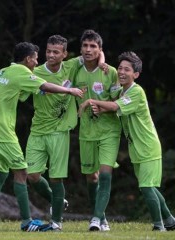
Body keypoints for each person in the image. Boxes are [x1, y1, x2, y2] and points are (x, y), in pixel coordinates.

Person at [0, 42, 83, 232]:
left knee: (0, 173)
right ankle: (27, 222)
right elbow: (45, 85)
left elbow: (3, 94)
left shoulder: (3, 72)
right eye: (35, 58)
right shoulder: (22, 72)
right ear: (27, 59)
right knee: (22, 173)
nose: (37, 61)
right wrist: (69, 90)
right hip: (2, 133)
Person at [81, 51, 175, 232]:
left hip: (148, 146)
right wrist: (101, 60)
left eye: (127, 69)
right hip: (136, 148)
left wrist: (91, 101)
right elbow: (112, 100)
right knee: (149, 188)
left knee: (147, 187)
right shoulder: (120, 90)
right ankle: (170, 220)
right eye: (120, 68)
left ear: (136, 74)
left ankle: (159, 226)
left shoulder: (137, 91)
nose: (122, 72)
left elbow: (116, 106)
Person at [25, 35, 85, 231]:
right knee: (32, 175)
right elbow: (16, 89)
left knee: (56, 177)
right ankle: (57, 200)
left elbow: (95, 52)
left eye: (55, 52)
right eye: (48, 51)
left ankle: (56, 223)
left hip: (60, 131)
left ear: (64, 54)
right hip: (38, 130)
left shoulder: (71, 66)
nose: (50, 55)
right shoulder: (36, 72)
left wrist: (101, 63)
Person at [73, 29, 121, 231]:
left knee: (105, 174)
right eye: (85, 45)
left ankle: (96, 218)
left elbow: (119, 100)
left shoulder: (110, 72)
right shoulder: (75, 69)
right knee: (91, 177)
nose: (88, 49)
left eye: (93, 46)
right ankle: (99, 216)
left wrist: (102, 106)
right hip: (86, 131)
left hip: (109, 130)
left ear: (100, 49)